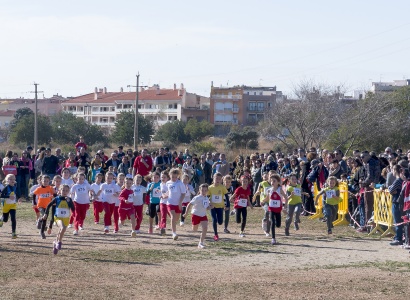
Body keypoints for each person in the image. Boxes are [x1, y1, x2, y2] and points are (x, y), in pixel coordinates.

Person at [42, 184, 75, 254]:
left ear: (68, 191)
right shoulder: (57, 198)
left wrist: (70, 202)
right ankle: (59, 242)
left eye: (66, 191)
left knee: (61, 231)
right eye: (63, 190)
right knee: (62, 228)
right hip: (58, 218)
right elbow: (48, 205)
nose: (65, 192)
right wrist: (45, 214)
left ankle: (55, 242)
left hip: (66, 218)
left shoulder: (69, 199)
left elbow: (73, 209)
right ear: (59, 190)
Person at [182, 184, 212, 249]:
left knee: (205, 227)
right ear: (199, 190)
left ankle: (201, 243)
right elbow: (189, 204)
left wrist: (210, 207)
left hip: (203, 215)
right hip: (195, 215)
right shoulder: (197, 198)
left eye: (205, 190)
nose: (204, 192)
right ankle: (195, 228)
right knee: (194, 230)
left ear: (207, 191)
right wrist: (186, 213)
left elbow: (206, 208)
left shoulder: (207, 198)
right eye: (202, 190)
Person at [264, 174, 288, 245]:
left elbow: (286, 198)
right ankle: (273, 239)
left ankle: (277, 225)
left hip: (278, 209)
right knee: (272, 222)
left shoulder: (280, 189)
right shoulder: (269, 190)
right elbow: (268, 198)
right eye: (271, 181)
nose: (272, 182)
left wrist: (285, 207)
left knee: (278, 224)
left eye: (274, 181)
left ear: (278, 182)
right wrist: (263, 201)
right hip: (271, 208)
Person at [165, 168, 186, 240]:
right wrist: (164, 195)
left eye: (175, 177)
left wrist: (180, 202)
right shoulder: (168, 183)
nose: (174, 178)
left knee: (176, 219)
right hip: (170, 203)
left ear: (178, 176)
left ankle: (172, 222)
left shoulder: (180, 183)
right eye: (172, 177)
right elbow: (168, 192)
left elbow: (183, 193)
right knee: (173, 217)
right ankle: (174, 233)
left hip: (178, 204)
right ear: (169, 175)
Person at [208, 172, 228, 241]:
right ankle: (215, 234)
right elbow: (207, 197)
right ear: (213, 179)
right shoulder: (210, 188)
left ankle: (219, 222)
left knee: (220, 222)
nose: (218, 180)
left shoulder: (222, 187)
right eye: (216, 178)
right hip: (212, 206)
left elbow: (226, 196)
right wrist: (209, 203)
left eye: (219, 179)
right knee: (214, 219)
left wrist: (227, 205)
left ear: (221, 180)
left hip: (220, 207)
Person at [388, 165, 404, 246]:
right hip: (399, 202)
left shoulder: (398, 180)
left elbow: (391, 190)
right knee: (398, 221)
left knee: (397, 221)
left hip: (396, 202)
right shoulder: (400, 181)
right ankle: (398, 236)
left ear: (395, 170)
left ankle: (398, 238)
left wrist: (392, 190)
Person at [0, 174, 19, 238]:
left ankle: (14, 232)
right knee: (5, 220)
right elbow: (1, 195)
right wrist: (8, 197)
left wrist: (19, 198)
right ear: (7, 180)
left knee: (13, 218)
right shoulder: (6, 187)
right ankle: (1, 219)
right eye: (10, 179)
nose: (12, 180)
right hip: (6, 205)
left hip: (13, 205)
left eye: (13, 179)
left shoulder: (16, 186)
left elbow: (17, 193)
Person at [159, 171, 170, 235]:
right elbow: (161, 191)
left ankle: (173, 225)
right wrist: (160, 194)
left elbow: (169, 191)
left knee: (172, 216)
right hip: (162, 202)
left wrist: (165, 195)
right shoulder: (161, 184)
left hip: (169, 203)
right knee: (163, 216)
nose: (163, 178)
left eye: (164, 177)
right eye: (162, 177)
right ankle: (162, 228)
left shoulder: (169, 184)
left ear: (168, 178)